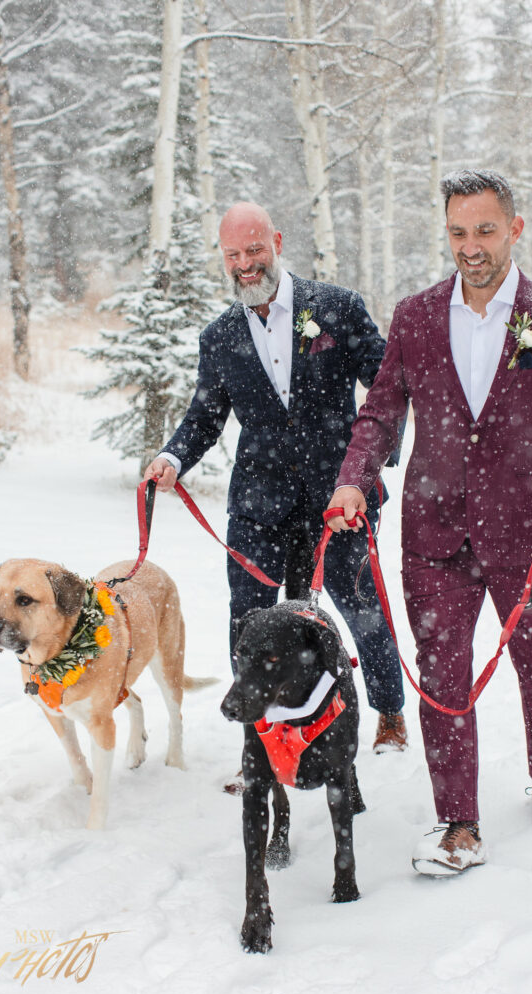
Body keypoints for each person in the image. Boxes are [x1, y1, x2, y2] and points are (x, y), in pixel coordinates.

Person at [327, 170, 532, 874]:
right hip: (434, 535)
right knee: (441, 673)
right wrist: (353, 480)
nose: (470, 246)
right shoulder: (415, 317)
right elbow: (381, 411)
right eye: (457, 232)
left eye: (484, 230)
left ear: (513, 229)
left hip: (530, 536)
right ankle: (457, 823)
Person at [144, 201, 407, 769]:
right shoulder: (218, 337)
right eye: (233, 254)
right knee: (250, 623)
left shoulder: (336, 308)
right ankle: (261, 744)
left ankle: (389, 709)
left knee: (361, 609)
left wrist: (368, 471)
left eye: (254, 249)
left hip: (340, 499)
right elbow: (205, 415)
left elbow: (388, 388)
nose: (244, 264)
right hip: (259, 505)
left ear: (277, 242)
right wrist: (172, 457)